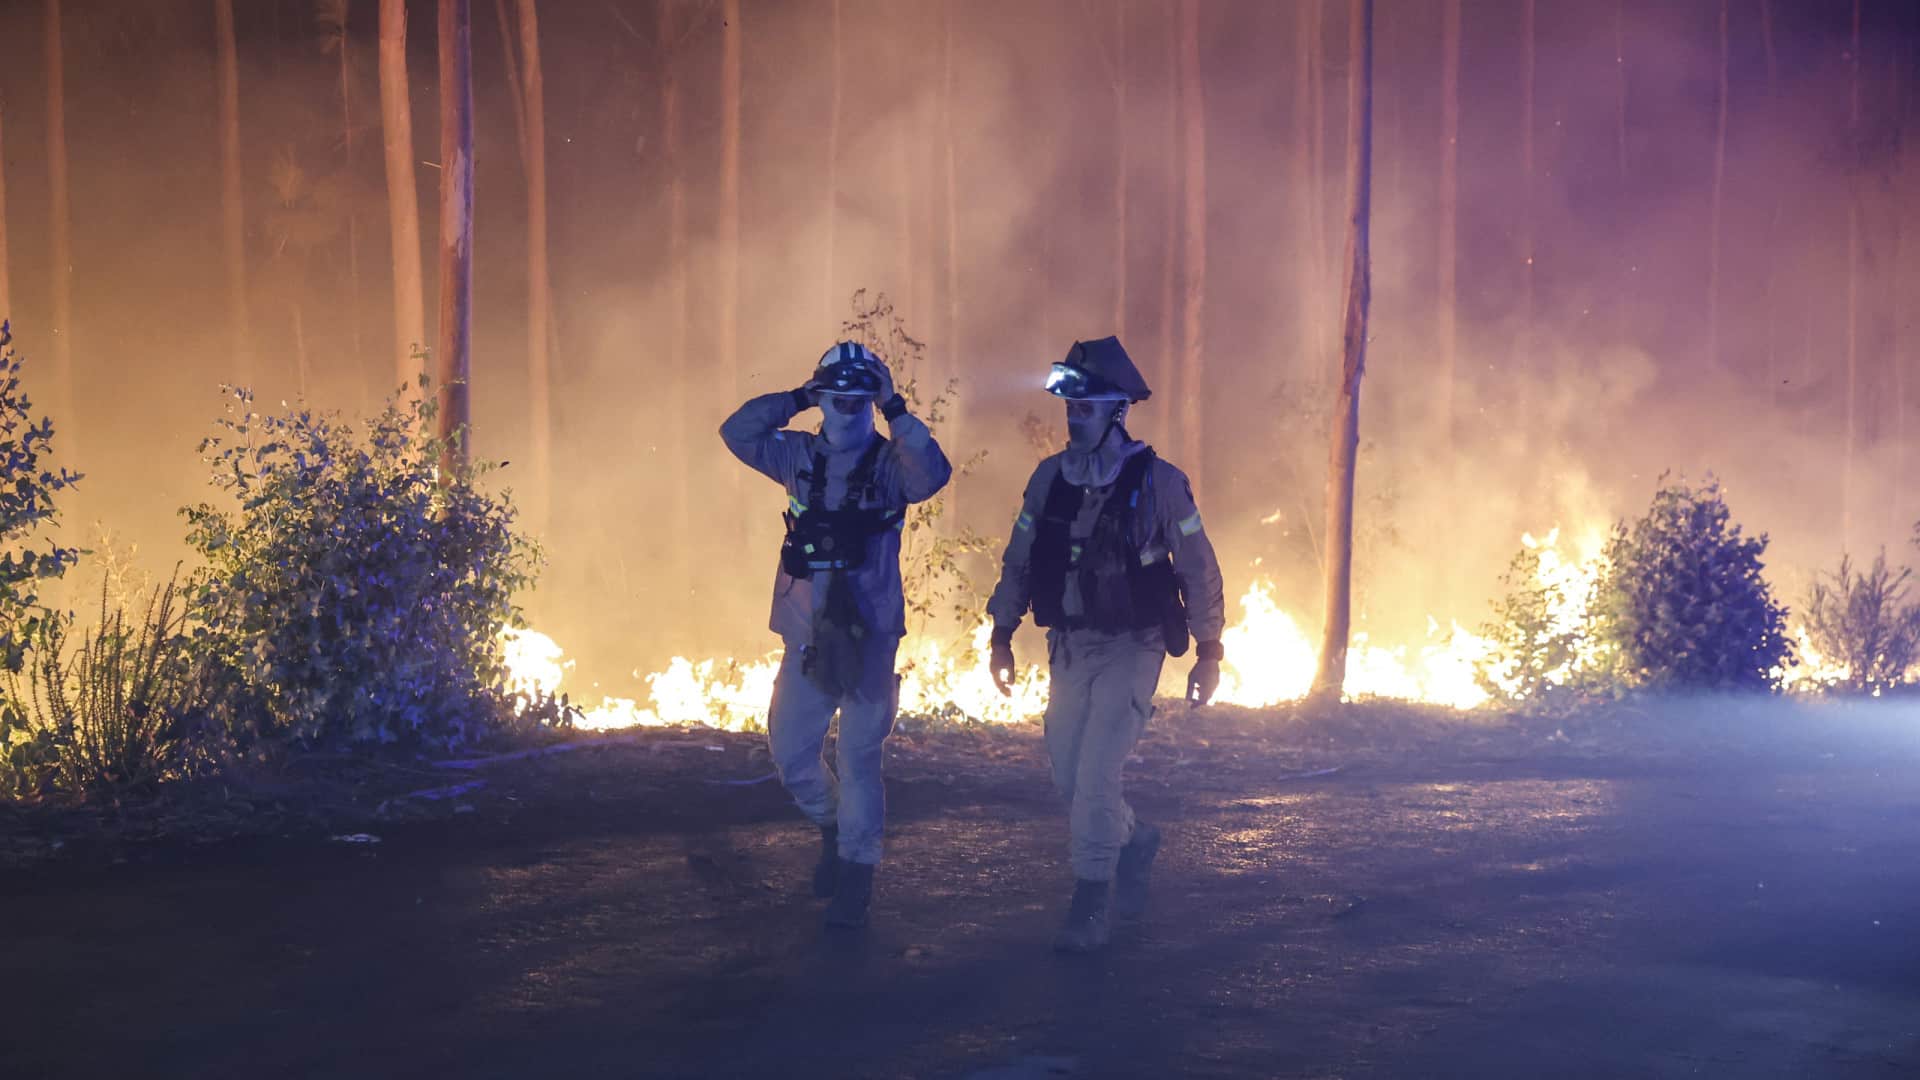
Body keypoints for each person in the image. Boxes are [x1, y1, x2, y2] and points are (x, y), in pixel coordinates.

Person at [984, 336, 1227, 952]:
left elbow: (1198, 566)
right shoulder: (1048, 480)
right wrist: (1003, 631)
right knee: (1070, 778)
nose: (1074, 416)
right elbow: (1019, 558)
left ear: (1117, 410)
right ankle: (1136, 838)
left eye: (1085, 406)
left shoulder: (1162, 483)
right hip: (1070, 645)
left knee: (1095, 779)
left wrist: (1209, 648)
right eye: (1070, 406)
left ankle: (1090, 904)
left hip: (1134, 646)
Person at [720, 341, 953, 929]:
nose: (847, 407)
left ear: (871, 401)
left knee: (858, 758)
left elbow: (933, 474)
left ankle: (856, 874)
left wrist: (897, 408)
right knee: (792, 754)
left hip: (871, 634)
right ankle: (831, 827)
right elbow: (737, 430)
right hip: (806, 633)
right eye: (836, 395)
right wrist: (798, 396)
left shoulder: (892, 464)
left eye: (859, 396)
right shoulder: (796, 456)